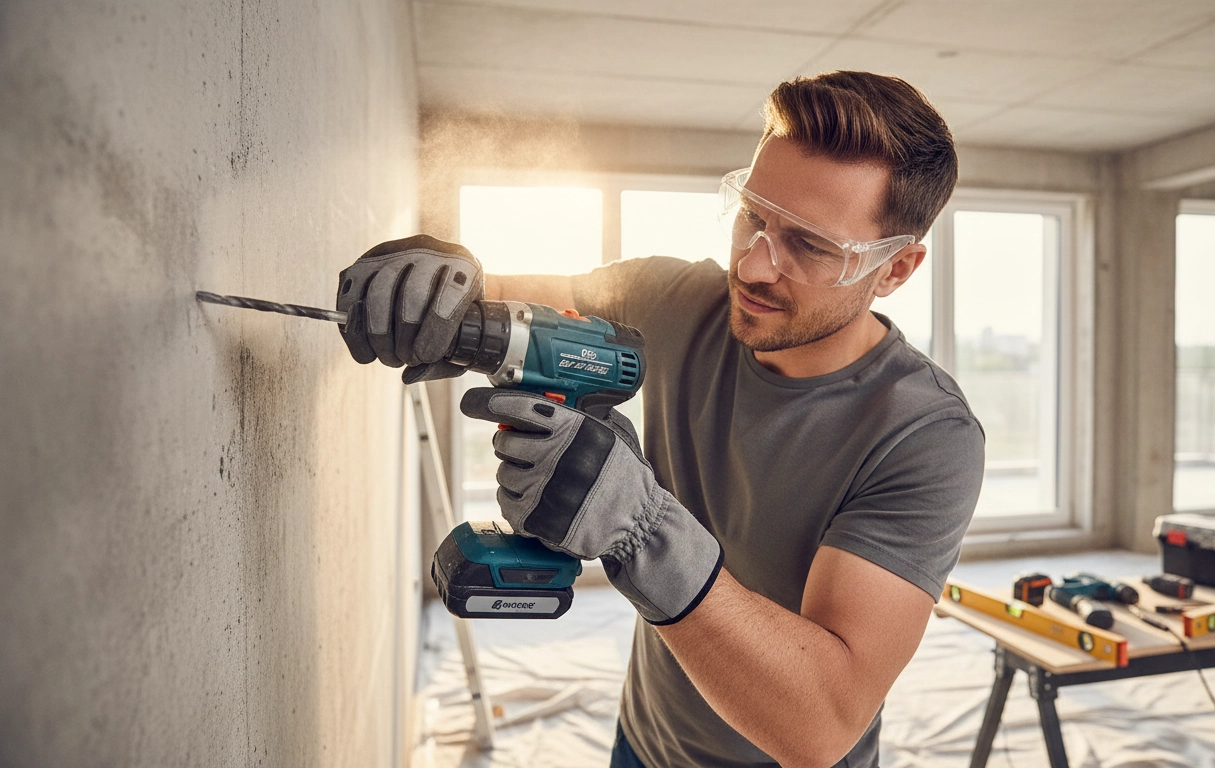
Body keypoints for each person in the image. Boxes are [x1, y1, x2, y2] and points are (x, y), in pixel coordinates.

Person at [336, 71, 985, 768]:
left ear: (896, 269)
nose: (756, 264)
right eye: (753, 216)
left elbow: (822, 724)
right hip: (642, 744)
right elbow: (512, 307)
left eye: (810, 246)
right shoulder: (675, 299)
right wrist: (445, 279)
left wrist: (640, 527)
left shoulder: (927, 435)